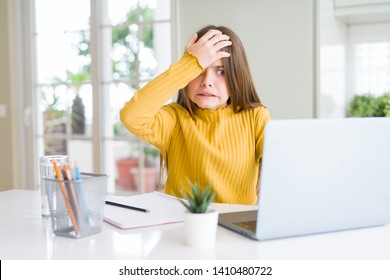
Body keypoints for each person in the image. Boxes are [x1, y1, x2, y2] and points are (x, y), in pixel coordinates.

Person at [120, 25, 270, 204]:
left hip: (235, 229)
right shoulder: (174, 119)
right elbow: (131, 116)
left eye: (221, 71)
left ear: (237, 76)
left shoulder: (256, 117)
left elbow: (286, 170)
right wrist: (189, 63)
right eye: (199, 71)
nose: (207, 82)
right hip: (182, 227)